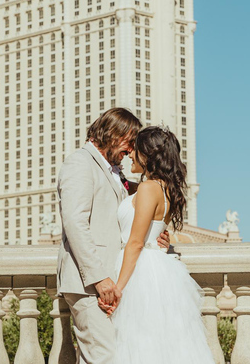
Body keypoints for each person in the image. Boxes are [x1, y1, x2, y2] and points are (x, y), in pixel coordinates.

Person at [56, 108, 169, 364]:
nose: (131, 151)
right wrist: (99, 279)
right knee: (104, 357)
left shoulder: (116, 173)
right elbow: (75, 223)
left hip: (111, 284)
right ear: (113, 134)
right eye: (129, 142)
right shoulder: (80, 163)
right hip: (90, 285)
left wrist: (157, 235)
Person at [102, 125, 214, 364]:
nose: (130, 154)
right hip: (159, 271)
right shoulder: (165, 189)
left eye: (135, 150)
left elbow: (135, 243)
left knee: (137, 345)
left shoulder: (147, 188)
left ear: (147, 154)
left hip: (138, 272)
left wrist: (118, 290)